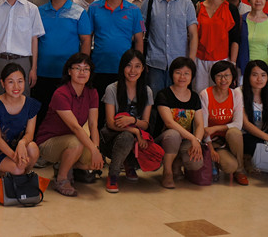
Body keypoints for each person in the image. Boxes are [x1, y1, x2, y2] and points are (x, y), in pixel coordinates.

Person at [35, 53, 103, 197]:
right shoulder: (61, 93)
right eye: (77, 68)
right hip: (49, 141)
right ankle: (61, 179)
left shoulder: (92, 93)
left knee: (92, 162)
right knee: (77, 142)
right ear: (69, 71)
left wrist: (96, 150)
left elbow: (93, 124)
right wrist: (93, 150)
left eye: (86, 69)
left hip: (73, 139)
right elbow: (75, 128)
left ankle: (64, 165)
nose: (82, 72)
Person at [35, 0, 92, 126]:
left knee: (67, 115)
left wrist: (83, 68)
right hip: (43, 72)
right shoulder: (39, 12)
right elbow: (34, 41)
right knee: (43, 113)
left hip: (69, 74)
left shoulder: (79, 12)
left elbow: (85, 41)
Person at [100, 50, 153, 193]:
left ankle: (129, 163)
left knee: (155, 157)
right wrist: (135, 130)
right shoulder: (112, 89)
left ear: (143, 69)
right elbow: (110, 123)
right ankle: (113, 175)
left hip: (136, 139)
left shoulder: (147, 91)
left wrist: (132, 120)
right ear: (122, 67)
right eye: (128, 65)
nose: (133, 71)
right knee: (126, 137)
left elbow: (145, 124)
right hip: (110, 138)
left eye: (137, 66)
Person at [141, 0, 198, 95]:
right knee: (155, 100)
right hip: (154, 63)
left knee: (177, 100)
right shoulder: (149, 1)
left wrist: (190, 61)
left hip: (180, 64)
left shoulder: (187, 4)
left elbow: (193, 34)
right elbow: (141, 30)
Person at [88, 0, 144, 98]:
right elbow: (87, 37)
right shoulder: (94, 8)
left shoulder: (134, 10)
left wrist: (139, 65)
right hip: (99, 67)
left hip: (126, 69)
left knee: (122, 104)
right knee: (100, 104)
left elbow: (139, 40)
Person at [153, 57, 205, 189]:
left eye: (186, 73)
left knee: (196, 163)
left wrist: (197, 141)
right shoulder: (163, 94)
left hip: (186, 139)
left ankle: (176, 163)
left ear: (192, 76)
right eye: (178, 73)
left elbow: (200, 124)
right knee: (173, 135)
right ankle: (167, 172)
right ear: (172, 74)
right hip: (165, 138)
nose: (182, 77)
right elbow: (169, 123)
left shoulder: (194, 97)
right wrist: (192, 138)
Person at [0, 63, 41, 176]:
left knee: (33, 148)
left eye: (20, 81)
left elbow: (29, 134)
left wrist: (22, 143)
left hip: (19, 148)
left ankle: (21, 177)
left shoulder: (31, 104)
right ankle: (5, 173)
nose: (16, 86)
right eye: (11, 82)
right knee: (18, 169)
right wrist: (16, 158)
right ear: (2, 83)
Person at [199, 61, 247, 185]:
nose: (223, 80)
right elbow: (204, 127)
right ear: (214, 77)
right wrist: (211, 149)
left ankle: (240, 170)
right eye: (219, 76)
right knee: (230, 166)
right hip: (211, 141)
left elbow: (238, 124)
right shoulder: (205, 94)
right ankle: (213, 160)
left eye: (227, 75)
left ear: (232, 77)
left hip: (228, 139)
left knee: (235, 132)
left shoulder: (236, 94)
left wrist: (215, 128)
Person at [195, 0, 240, 93]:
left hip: (222, 60)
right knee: (200, 93)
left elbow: (235, 39)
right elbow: (193, 36)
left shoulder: (231, 9)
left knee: (220, 93)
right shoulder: (198, 7)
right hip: (200, 59)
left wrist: (232, 63)